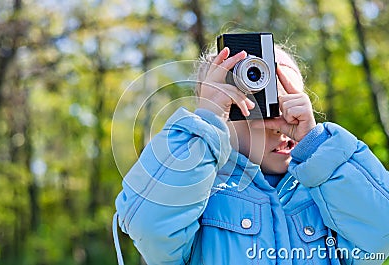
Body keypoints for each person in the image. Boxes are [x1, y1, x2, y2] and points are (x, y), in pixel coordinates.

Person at [112, 37, 389, 265]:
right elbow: (150, 228)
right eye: (261, 105)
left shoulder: (330, 195)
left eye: (289, 102)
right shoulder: (198, 196)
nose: (280, 125)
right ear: (223, 117)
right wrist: (204, 125)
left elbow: (382, 234)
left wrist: (315, 142)